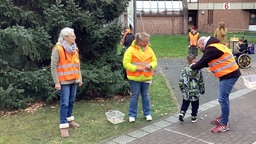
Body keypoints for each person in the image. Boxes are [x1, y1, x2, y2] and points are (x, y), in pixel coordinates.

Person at [190, 36, 241, 133]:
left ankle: (224, 124)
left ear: (202, 44)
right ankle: (223, 118)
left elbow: (202, 62)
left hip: (229, 75)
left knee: (222, 98)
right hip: (229, 74)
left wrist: (193, 67)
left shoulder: (211, 49)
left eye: (198, 46)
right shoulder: (215, 46)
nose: (199, 48)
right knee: (224, 98)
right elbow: (207, 62)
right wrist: (198, 64)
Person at [51, 27, 83, 138]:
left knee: (71, 101)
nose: (75, 37)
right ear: (65, 37)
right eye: (72, 35)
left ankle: (69, 120)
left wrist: (80, 78)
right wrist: (57, 82)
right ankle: (63, 125)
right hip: (64, 81)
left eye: (74, 35)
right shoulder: (58, 49)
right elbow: (53, 67)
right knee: (64, 103)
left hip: (74, 80)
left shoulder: (75, 48)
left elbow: (77, 64)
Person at [123, 32, 158, 122]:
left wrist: (150, 66)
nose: (147, 43)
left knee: (145, 95)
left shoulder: (149, 49)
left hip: (146, 77)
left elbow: (154, 61)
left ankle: (148, 114)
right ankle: (132, 115)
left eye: (148, 41)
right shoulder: (130, 50)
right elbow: (126, 63)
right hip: (134, 78)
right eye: (146, 41)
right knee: (135, 96)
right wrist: (135, 68)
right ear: (140, 41)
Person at [178, 54, 205, 123]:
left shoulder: (184, 70)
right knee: (195, 104)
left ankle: (182, 113)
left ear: (187, 61)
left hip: (186, 91)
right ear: (194, 60)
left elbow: (181, 79)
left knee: (185, 103)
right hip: (195, 91)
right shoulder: (198, 70)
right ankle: (193, 116)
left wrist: (181, 87)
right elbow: (200, 80)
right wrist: (202, 89)